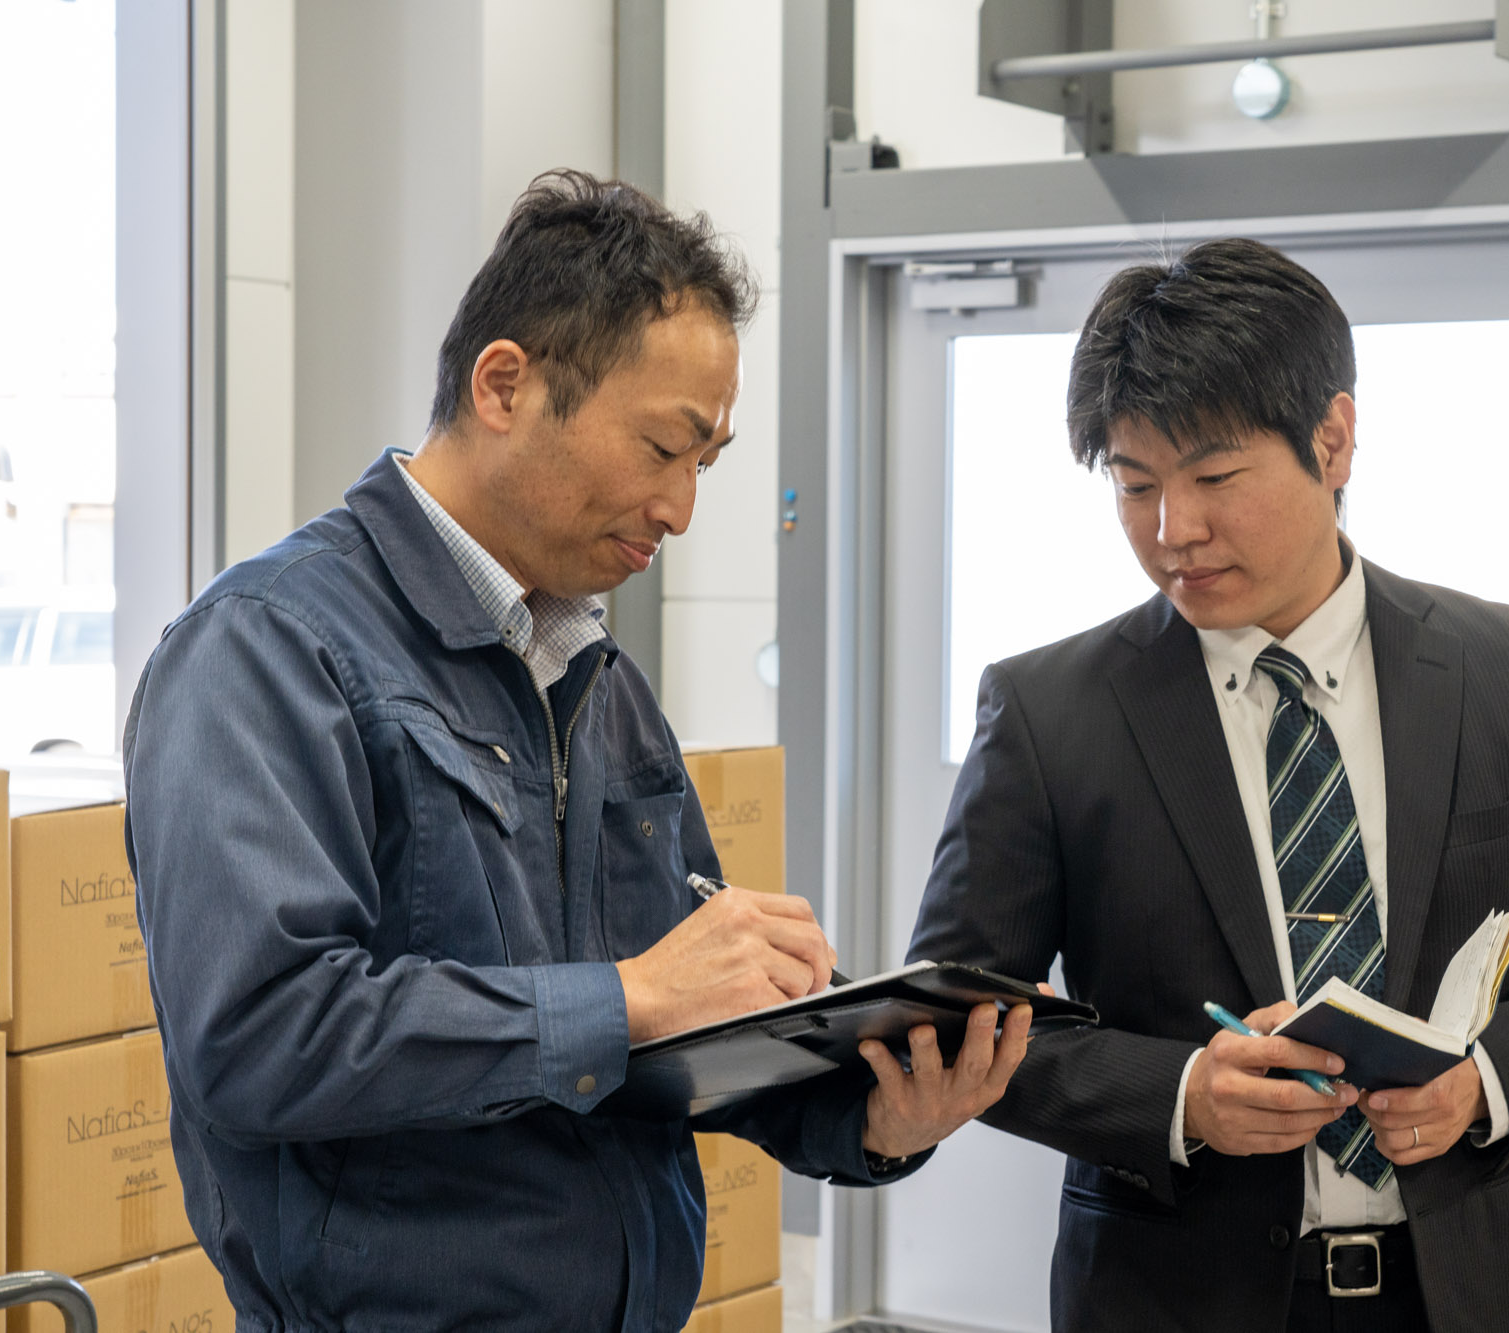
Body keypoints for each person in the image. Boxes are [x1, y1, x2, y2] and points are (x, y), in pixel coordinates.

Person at [124, 171, 1032, 1332]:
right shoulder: (265, 649)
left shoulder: (594, 675)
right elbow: (260, 1038)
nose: (682, 507)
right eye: (663, 446)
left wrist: (870, 1119)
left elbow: (679, 1040)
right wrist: (627, 995)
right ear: (505, 384)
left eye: (707, 459)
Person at [906, 237, 1509, 1333]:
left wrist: (1482, 1084)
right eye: (1134, 486)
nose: (1173, 532)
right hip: (1180, 1296)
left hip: (1480, 1288)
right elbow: (960, 1015)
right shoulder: (1051, 713)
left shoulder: (1505, 668)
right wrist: (1180, 1095)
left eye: (1213, 478)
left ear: (1332, 439)